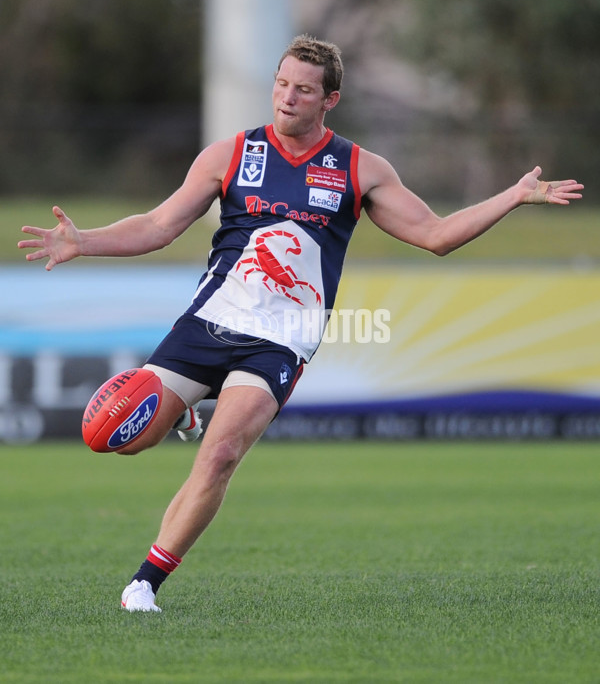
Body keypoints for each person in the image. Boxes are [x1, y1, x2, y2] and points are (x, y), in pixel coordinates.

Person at [18, 35, 584, 612]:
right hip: (210, 322)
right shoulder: (231, 155)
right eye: (281, 84)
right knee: (121, 440)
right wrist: (84, 241)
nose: (288, 98)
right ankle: (186, 408)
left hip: (280, 341)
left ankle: (144, 584)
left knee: (220, 455)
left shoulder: (360, 168)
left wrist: (512, 197)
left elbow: (435, 235)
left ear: (329, 100)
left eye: (304, 90)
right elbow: (160, 224)